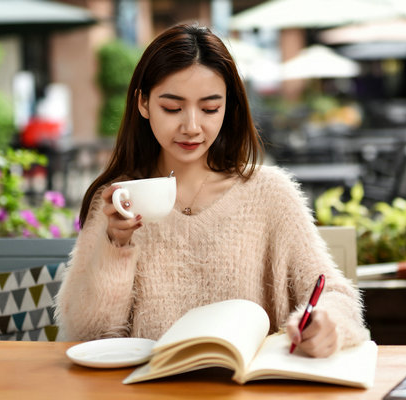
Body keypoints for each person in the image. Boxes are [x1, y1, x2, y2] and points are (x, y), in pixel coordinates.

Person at [55, 23, 368, 358]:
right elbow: (86, 336)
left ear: (228, 107)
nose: (191, 126)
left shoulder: (270, 194)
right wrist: (116, 245)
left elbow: (335, 294)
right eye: (172, 108)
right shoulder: (119, 199)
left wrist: (326, 323)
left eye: (209, 108)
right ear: (143, 104)